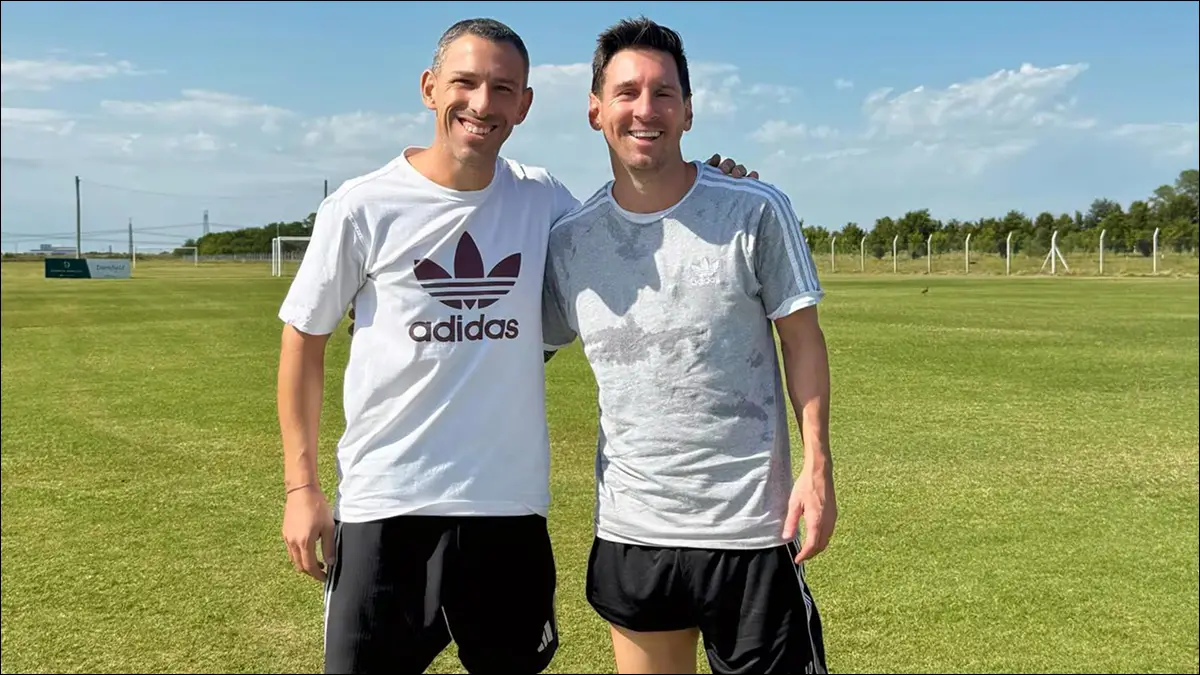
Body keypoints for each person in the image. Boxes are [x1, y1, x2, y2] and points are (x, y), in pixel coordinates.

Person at [276, 16, 753, 675]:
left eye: (504, 89)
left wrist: (713, 185)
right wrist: (302, 488)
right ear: (428, 87)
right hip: (386, 506)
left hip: (507, 513)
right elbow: (302, 341)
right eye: (465, 83)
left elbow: (632, 223)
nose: (482, 103)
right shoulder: (363, 207)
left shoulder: (544, 203)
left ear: (525, 104)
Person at [541, 16, 837, 675]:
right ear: (595, 110)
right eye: (626, 92)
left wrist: (817, 467)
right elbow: (510, 346)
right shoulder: (571, 242)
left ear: (688, 110)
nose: (645, 109)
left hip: (751, 530)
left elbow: (803, 343)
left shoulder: (754, 210)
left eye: (663, 93)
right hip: (634, 531)